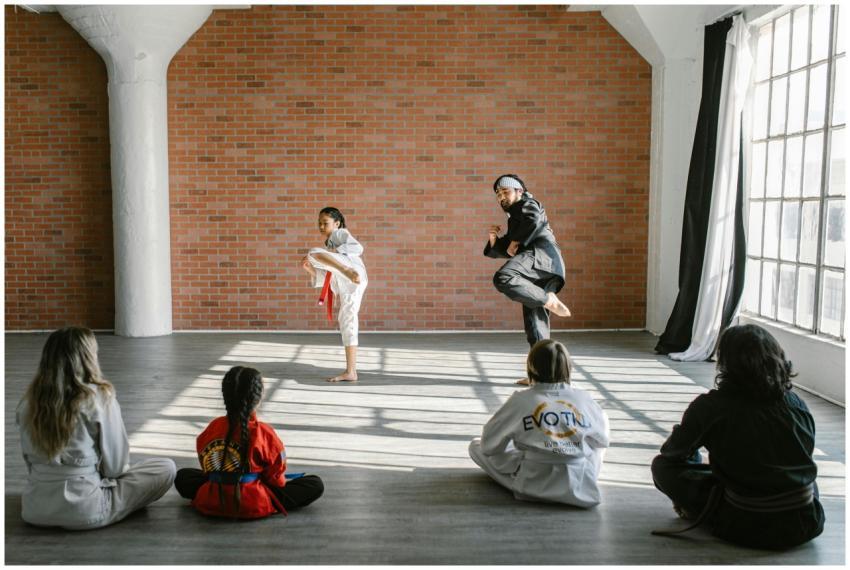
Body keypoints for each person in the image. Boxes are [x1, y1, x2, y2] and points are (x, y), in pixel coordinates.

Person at [651, 324, 825, 549]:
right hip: (807, 521)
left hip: (745, 525)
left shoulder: (711, 407)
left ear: (726, 364)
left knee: (662, 467)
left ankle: (704, 509)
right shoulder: (796, 403)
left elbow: (672, 452)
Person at [15, 326, 176, 530]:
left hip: (34, 509)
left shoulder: (27, 402)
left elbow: (29, 463)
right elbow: (116, 468)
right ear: (87, 358)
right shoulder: (99, 397)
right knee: (165, 468)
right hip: (86, 509)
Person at [468, 339, 610, 507]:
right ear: (568, 368)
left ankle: (532, 465)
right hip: (579, 485)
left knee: (475, 446)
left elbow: (488, 446)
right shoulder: (584, 398)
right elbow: (601, 441)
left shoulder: (520, 400)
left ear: (531, 366)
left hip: (532, 483)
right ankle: (580, 473)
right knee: (600, 427)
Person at [175, 366, 324, 518]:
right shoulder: (264, 432)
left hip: (213, 497)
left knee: (183, 476)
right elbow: (277, 481)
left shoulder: (213, 427)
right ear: (258, 398)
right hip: (253, 499)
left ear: (225, 396)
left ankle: (221, 493)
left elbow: (207, 468)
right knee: (314, 484)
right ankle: (257, 500)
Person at [484, 174, 570, 385]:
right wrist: (495, 240)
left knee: (504, 277)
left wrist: (515, 240)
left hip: (542, 257)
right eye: (498, 194)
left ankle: (547, 299)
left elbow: (533, 221)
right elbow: (510, 250)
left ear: (519, 191)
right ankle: (542, 377)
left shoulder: (529, 203)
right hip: (536, 266)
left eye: (505, 191)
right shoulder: (514, 217)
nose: (501, 196)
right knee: (535, 325)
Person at [301, 207, 368, 382]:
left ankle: (346, 270)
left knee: (313, 253)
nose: (321, 227)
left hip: (351, 272)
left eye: (326, 223)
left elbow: (357, 247)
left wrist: (343, 266)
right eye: (319, 224)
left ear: (337, 223)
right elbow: (327, 278)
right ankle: (351, 371)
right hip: (348, 283)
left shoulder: (339, 234)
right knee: (346, 320)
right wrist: (311, 271)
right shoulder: (330, 244)